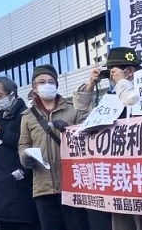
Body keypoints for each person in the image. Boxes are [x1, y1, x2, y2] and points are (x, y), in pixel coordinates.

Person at [74, 47, 142, 230]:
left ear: (129, 71)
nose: (112, 78)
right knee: (120, 221)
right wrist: (90, 84)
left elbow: (133, 101)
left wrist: (122, 82)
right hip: (114, 170)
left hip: (140, 167)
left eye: (114, 71)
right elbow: (81, 112)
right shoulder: (110, 96)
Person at [18, 64, 89, 230]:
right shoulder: (27, 116)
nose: (47, 85)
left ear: (57, 85)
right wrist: (25, 157)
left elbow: (87, 138)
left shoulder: (73, 109)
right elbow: (24, 144)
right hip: (43, 188)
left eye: (51, 81)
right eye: (42, 82)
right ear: (34, 87)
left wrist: (67, 130)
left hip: (73, 185)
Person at [0, 76, 38, 230]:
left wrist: (1, 132)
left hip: (19, 185)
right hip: (0, 188)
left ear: (12, 93)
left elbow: (29, 144)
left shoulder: (27, 114)